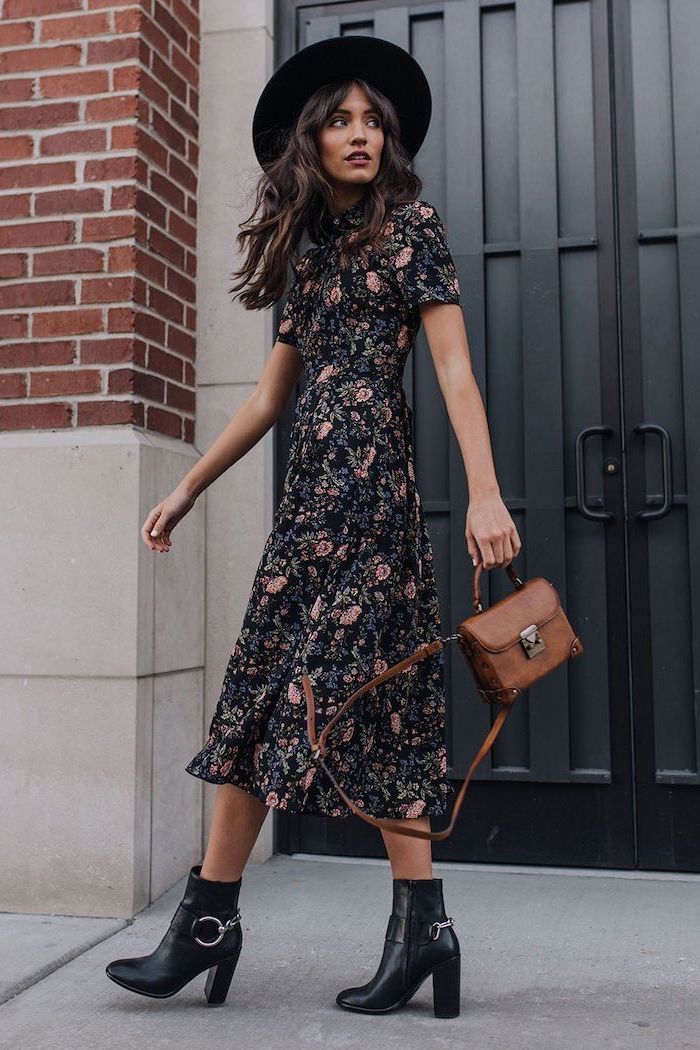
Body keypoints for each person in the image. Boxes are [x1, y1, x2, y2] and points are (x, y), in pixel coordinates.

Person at [105, 36, 521, 1018]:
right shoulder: (308, 257)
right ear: (310, 140)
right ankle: (210, 924)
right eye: (339, 120)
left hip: (375, 511)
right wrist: (190, 487)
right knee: (253, 704)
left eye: (371, 120)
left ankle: (419, 926)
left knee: (358, 703)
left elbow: (455, 372)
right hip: (306, 518)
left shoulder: (413, 233)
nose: (359, 134)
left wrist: (489, 493)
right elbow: (262, 401)